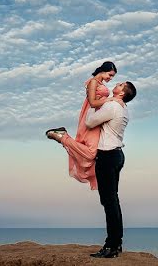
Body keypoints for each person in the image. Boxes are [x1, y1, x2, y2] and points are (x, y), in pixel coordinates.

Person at [48, 79, 137, 259]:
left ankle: (111, 246)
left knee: (109, 202)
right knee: (112, 201)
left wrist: (97, 102)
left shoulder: (113, 107)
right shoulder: (122, 108)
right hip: (117, 155)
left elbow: (89, 122)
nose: (116, 84)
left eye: (120, 85)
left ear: (122, 93)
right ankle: (116, 244)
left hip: (108, 157)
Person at [46, 61, 118, 190]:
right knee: (91, 153)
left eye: (112, 77)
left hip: (98, 119)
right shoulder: (93, 82)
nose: (110, 78)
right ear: (104, 70)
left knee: (94, 153)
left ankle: (63, 136)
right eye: (110, 75)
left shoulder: (99, 83)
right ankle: (63, 137)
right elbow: (92, 102)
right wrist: (110, 99)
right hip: (90, 117)